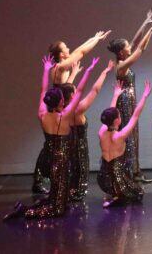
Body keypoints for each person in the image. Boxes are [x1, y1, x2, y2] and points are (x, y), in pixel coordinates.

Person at [3, 56, 98, 220]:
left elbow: (43, 90)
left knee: (58, 196)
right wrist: (88, 71)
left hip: (50, 158)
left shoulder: (42, 114)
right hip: (61, 161)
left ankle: (37, 205)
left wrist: (46, 70)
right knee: (58, 209)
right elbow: (80, 91)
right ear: (61, 102)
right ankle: (25, 211)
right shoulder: (65, 117)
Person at [32, 29, 110, 194]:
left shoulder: (58, 68)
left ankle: (52, 180)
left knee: (52, 145)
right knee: (53, 145)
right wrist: (96, 39)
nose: (69, 49)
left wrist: (94, 38)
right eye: (65, 47)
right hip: (59, 108)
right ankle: (47, 180)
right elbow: (80, 52)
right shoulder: (61, 66)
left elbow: (65, 86)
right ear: (61, 54)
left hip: (59, 105)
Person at [108, 11, 152, 183]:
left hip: (129, 99)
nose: (129, 47)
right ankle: (131, 172)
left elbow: (135, 42)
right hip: (125, 101)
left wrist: (145, 22)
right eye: (126, 47)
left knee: (133, 133)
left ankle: (134, 170)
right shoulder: (122, 66)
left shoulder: (122, 58)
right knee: (129, 134)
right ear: (121, 53)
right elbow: (140, 49)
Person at [62, 59, 115, 201]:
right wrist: (105, 72)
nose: (77, 91)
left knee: (72, 169)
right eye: (74, 91)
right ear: (72, 95)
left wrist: (74, 73)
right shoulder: (78, 109)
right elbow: (95, 90)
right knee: (80, 169)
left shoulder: (62, 109)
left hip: (68, 144)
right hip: (79, 146)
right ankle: (77, 192)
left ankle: (71, 190)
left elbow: (65, 89)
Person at [98, 79, 152, 208]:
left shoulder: (101, 131)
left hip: (103, 178)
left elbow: (110, 112)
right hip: (118, 178)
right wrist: (144, 96)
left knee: (119, 184)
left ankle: (114, 194)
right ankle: (117, 196)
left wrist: (116, 95)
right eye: (119, 115)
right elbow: (135, 115)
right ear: (117, 120)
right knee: (138, 193)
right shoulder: (120, 135)